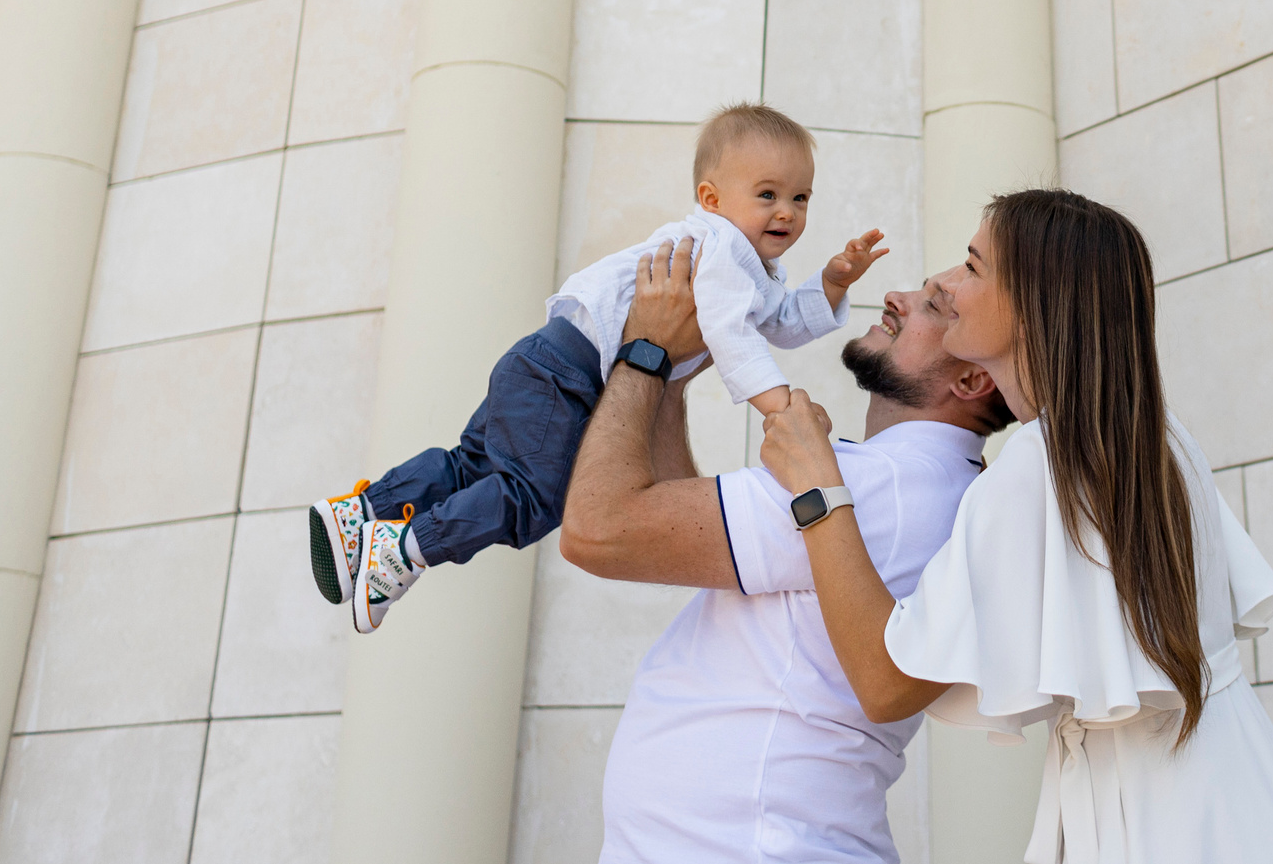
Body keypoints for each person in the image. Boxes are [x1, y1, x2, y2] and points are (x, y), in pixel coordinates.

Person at [760, 188, 1273, 864]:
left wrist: (817, 483)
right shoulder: (1157, 438)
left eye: (972, 267)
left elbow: (885, 683)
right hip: (1253, 804)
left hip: (1163, 832)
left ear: (1035, 307)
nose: (946, 284)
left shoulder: (1041, 467)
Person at [308, 102, 891, 631]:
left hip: (544, 363)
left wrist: (831, 284)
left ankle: (360, 513)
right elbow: (731, 333)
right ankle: (405, 549)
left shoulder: (745, 264)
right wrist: (779, 407)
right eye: (768, 195)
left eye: (801, 198)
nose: (787, 212)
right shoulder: (719, 251)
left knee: (475, 464)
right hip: (565, 376)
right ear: (712, 199)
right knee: (531, 498)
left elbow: (779, 320)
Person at [562, 237, 1016, 864]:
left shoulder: (879, 482)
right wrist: (674, 372)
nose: (895, 296)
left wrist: (644, 351)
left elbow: (600, 529)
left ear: (971, 378)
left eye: (934, 306)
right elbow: (677, 532)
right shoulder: (926, 483)